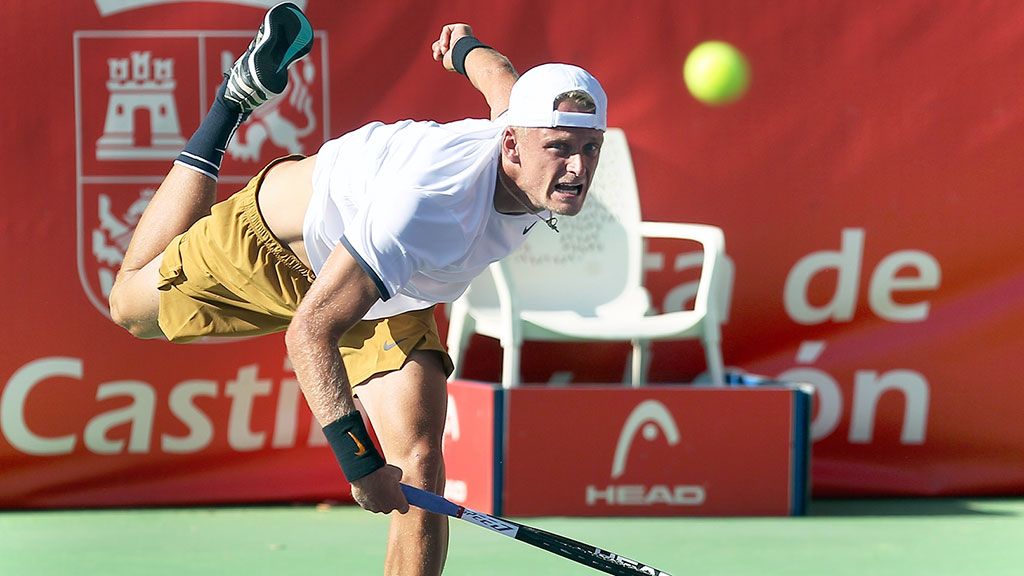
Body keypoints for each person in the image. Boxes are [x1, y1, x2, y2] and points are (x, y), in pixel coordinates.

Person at [107, 3, 607, 575]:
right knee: (130, 307)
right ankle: (231, 104)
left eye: (589, 149)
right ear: (512, 145)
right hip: (273, 249)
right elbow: (310, 331)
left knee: (418, 465)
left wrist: (462, 46)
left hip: (389, 286)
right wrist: (357, 460)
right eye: (560, 148)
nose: (576, 168)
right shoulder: (430, 206)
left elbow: (498, 73)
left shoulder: (523, 120)